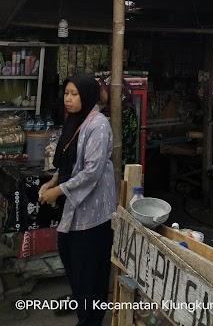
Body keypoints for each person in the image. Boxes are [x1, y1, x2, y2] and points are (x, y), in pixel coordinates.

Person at [39, 73, 116, 326]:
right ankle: (85, 311)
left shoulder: (99, 125)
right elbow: (69, 162)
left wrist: (57, 192)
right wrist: (53, 181)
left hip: (94, 213)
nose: (68, 99)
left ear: (87, 95)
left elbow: (91, 171)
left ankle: (91, 319)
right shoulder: (75, 121)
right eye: (67, 94)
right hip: (76, 209)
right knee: (72, 260)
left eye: (74, 94)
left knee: (90, 271)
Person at [99, 76, 138, 168]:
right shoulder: (103, 112)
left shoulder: (126, 114)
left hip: (120, 163)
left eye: (101, 91)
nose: (99, 95)